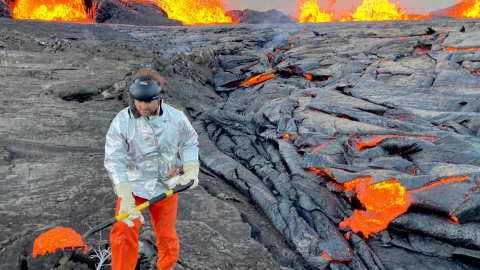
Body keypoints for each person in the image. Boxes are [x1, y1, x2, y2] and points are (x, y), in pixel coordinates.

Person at [104, 68, 199, 270]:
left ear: (159, 96)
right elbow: (114, 159)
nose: (142, 106)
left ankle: (166, 266)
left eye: (148, 101)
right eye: (138, 101)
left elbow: (190, 142)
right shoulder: (122, 121)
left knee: (165, 234)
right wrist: (124, 194)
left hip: (167, 186)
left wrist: (191, 168)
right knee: (123, 231)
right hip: (134, 187)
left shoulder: (176, 117)